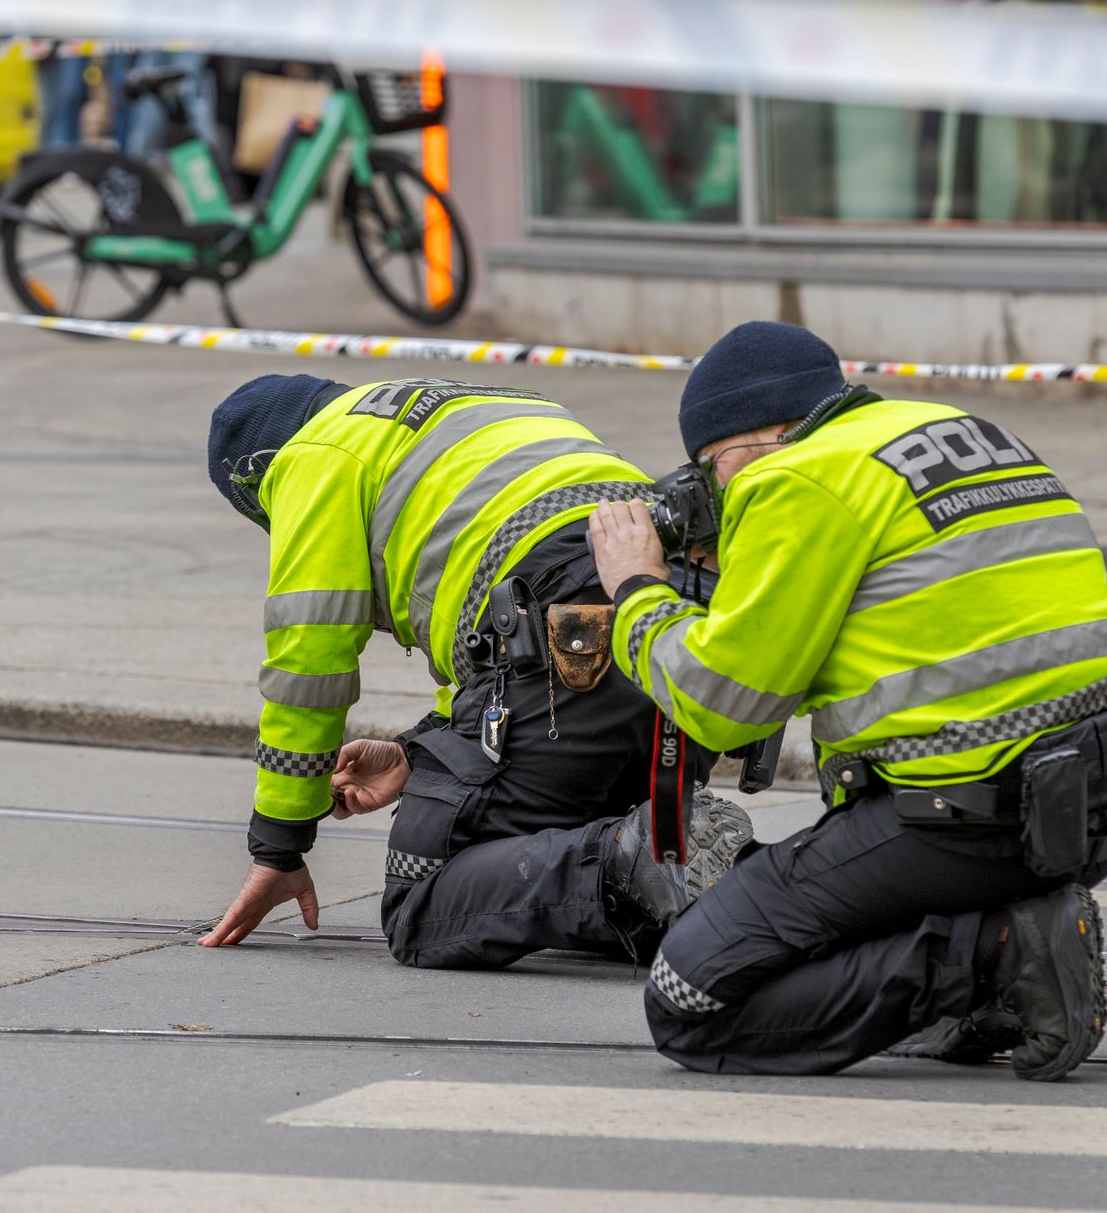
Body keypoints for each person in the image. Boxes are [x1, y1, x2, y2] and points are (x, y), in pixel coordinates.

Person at [588, 321, 1107, 1081]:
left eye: (711, 473)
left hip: (974, 821)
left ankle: (1001, 951)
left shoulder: (796, 476)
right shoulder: (959, 431)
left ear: (755, 441)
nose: (714, 497)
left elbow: (726, 705)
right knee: (821, 896)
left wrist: (640, 589)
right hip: (1099, 803)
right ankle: (993, 968)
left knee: (687, 996)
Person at [196, 374, 752, 968]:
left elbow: (309, 662)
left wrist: (279, 842)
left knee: (425, 904)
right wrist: (417, 752)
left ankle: (640, 852)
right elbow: (479, 638)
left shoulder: (315, 453)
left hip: (558, 621)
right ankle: (737, 892)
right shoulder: (470, 407)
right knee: (571, 874)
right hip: (666, 608)